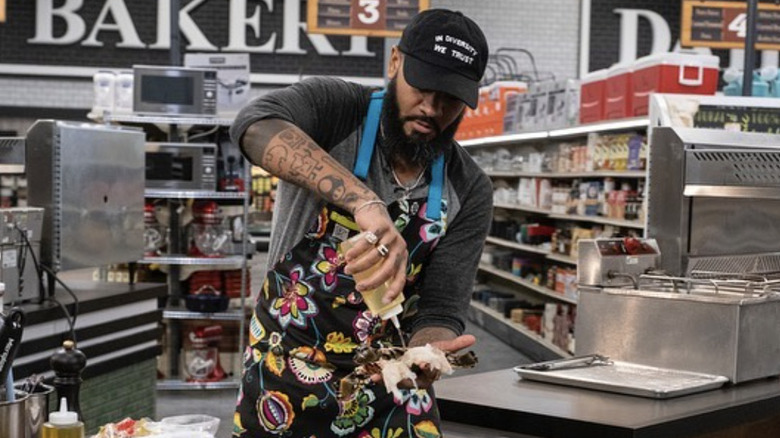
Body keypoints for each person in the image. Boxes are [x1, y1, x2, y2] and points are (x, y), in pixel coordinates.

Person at [230, 8, 492, 437]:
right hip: (283, 372)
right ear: (394, 63)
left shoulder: (470, 188)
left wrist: (426, 351)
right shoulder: (336, 110)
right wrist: (362, 200)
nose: (431, 108)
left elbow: (442, 306)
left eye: (450, 98)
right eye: (422, 86)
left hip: (390, 381)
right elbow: (253, 125)